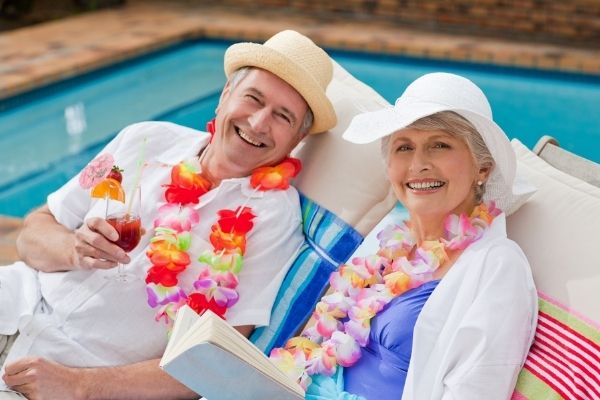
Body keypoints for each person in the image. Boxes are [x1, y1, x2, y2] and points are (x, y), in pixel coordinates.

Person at [0, 30, 337, 399]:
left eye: (282, 116)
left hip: (72, 369)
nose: (257, 123)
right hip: (15, 301)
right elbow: (33, 231)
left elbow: (213, 360)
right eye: (252, 99)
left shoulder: (274, 220)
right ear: (225, 96)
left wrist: (81, 386)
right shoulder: (143, 140)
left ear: (296, 141)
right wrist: (72, 248)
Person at [271, 72, 537, 400]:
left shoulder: (497, 266)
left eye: (440, 145)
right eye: (404, 147)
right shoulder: (385, 245)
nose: (418, 164)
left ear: (483, 168)